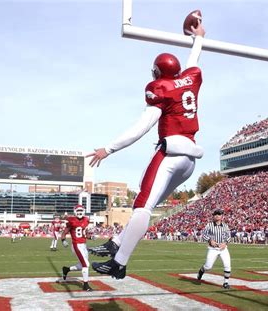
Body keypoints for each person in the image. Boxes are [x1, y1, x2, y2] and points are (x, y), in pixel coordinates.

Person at [87, 21, 206, 279]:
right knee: (147, 204)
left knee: (142, 206)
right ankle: (117, 241)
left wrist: (108, 149)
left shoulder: (159, 90)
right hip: (191, 161)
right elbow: (193, 59)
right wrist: (198, 37)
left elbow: (141, 127)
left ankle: (118, 262)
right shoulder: (191, 80)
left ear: (156, 72)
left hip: (171, 153)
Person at [60, 205, 93, 292]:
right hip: (76, 245)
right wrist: (63, 240)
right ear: (75, 211)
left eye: (81, 211)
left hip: (84, 245)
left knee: (82, 265)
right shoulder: (72, 221)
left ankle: (66, 269)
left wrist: (90, 237)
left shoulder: (86, 220)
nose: (79, 212)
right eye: (78, 211)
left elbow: (84, 234)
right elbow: (64, 232)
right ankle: (86, 285)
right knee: (86, 265)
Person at [197, 209, 232, 289]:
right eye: (215, 214)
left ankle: (226, 283)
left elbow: (229, 236)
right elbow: (204, 234)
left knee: (227, 265)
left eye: (219, 214)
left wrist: (225, 243)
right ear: (213, 216)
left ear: (222, 216)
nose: (217, 215)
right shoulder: (209, 225)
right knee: (208, 266)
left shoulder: (225, 226)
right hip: (213, 248)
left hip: (223, 249)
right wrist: (210, 240)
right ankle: (202, 270)